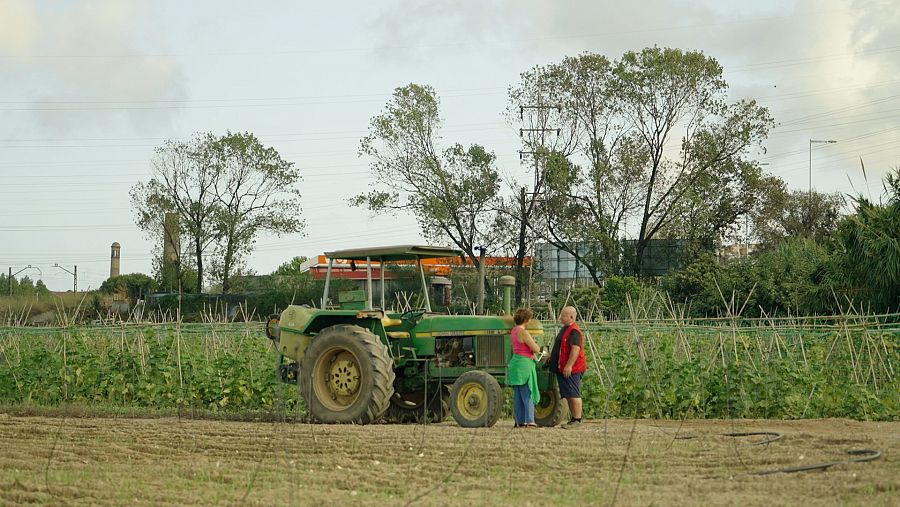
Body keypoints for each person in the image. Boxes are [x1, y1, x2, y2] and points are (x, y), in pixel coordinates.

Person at [549, 305, 587, 428]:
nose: (561, 317)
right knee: (569, 394)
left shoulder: (574, 331)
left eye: (563, 315)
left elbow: (575, 349)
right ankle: (573, 419)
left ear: (571, 317)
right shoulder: (565, 329)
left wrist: (569, 365)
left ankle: (577, 419)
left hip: (572, 369)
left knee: (574, 393)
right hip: (563, 367)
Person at [507, 307, 541, 428]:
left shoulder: (513, 331)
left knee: (518, 395)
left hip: (515, 362)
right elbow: (536, 348)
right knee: (528, 393)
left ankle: (519, 420)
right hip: (524, 364)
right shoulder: (523, 332)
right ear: (526, 320)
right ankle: (530, 420)